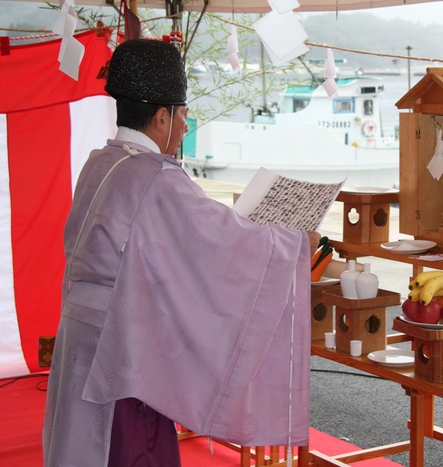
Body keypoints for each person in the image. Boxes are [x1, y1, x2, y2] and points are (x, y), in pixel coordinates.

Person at [43, 39, 319, 467]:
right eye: (184, 117)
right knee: (129, 454)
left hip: (79, 339)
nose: (185, 128)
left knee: (81, 449)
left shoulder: (100, 162)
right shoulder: (154, 177)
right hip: (122, 356)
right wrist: (295, 245)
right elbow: (218, 246)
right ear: (161, 117)